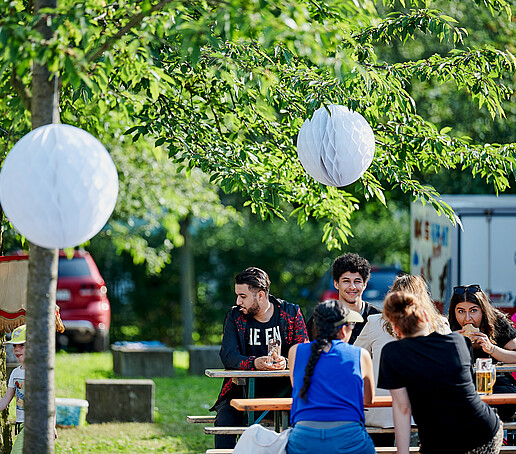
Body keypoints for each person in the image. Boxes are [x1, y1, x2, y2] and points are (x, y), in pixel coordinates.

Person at [379, 291, 502, 454]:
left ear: (396, 328)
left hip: (438, 441)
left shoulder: (392, 352)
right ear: (426, 316)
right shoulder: (457, 341)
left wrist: (403, 452)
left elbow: (403, 407)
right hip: (483, 431)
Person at [210, 267, 309, 449]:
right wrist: (255, 363)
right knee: (224, 421)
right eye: (237, 296)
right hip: (241, 392)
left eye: (243, 296)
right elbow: (228, 356)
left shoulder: (291, 313)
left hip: (286, 392)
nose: (238, 301)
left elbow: (304, 352)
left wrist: (286, 362)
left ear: (261, 295)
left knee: (308, 420)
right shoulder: (234, 316)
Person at [355, 274, 450, 446]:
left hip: (381, 413)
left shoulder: (375, 323)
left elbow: (355, 358)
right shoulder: (440, 325)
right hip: (428, 414)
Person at [287, 299, 375, 454]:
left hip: (304, 438)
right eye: (351, 325)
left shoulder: (295, 351)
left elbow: (298, 387)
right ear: (343, 330)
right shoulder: (361, 355)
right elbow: (368, 400)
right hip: (349, 438)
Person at [448, 283, 516, 421]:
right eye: (461, 311)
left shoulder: (496, 323)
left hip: (496, 386)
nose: (467, 318)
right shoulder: (448, 328)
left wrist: (492, 349)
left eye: (473, 311)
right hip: (462, 389)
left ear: (483, 311)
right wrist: (449, 346)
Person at [331, 253, 380, 344]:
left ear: (364, 285)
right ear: (336, 284)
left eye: (357, 281)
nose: (352, 287)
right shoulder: (323, 318)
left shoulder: (378, 318)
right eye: (346, 281)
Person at [1, 325, 26, 454]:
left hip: (35, 424)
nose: (16, 349)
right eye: (14, 345)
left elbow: (49, 401)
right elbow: (6, 398)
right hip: (21, 423)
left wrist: (51, 425)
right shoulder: (15, 373)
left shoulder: (38, 371)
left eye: (21, 345)